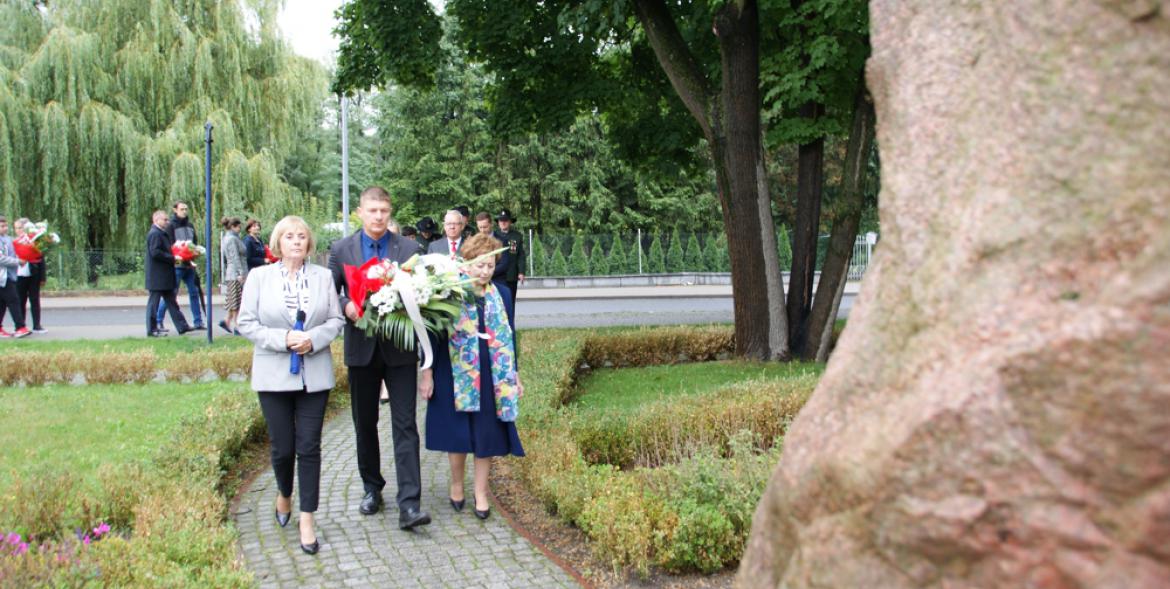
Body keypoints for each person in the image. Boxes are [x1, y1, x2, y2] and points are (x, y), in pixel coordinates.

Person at [238, 215, 344, 556]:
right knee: (283, 449)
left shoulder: (323, 277)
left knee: (309, 447)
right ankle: (284, 493)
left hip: (314, 375)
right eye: (289, 237)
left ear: (309, 243)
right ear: (278, 242)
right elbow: (246, 323)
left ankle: (307, 517)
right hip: (272, 376)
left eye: (301, 236)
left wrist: (312, 339)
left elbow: (336, 320)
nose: (296, 242)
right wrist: (283, 338)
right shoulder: (258, 277)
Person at [328, 186, 432, 530]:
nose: (378, 216)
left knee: (405, 426)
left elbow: (423, 297)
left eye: (384, 211)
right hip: (361, 348)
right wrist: (346, 305)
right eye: (372, 210)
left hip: (400, 352)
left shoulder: (409, 249)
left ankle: (409, 503)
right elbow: (332, 294)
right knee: (365, 425)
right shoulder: (342, 249)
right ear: (360, 212)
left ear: (390, 213)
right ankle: (372, 487)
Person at [422, 233, 525, 520]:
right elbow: (432, 334)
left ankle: (481, 492)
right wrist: (427, 372)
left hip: (493, 372)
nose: (485, 271)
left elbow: (510, 333)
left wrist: (514, 373)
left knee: (486, 434)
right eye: (480, 265)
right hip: (455, 370)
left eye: (490, 265)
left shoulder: (502, 293)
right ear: (466, 264)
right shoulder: (449, 291)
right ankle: (457, 485)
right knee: (458, 432)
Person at [156, 201, 207, 331]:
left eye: (186, 209)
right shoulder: (171, 226)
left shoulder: (190, 226)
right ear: (175, 210)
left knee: (194, 292)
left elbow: (194, 242)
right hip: (178, 263)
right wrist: (178, 254)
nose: (184, 211)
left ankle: (198, 322)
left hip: (189, 264)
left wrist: (195, 252)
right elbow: (169, 245)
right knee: (171, 293)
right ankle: (158, 321)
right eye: (182, 209)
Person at [145, 210, 192, 337]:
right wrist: (173, 258)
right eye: (165, 220)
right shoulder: (155, 234)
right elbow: (155, 252)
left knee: (171, 302)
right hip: (157, 276)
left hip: (163, 276)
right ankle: (152, 330)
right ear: (156, 220)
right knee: (153, 304)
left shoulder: (160, 233)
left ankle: (182, 326)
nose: (167, 221)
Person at [13, 218, 45, 334]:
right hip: (19, 275)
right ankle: (22, 325)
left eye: (20, 228)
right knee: (21, 300)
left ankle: (37, 325)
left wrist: (42, 277)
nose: (18, 230)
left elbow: (41, 259)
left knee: (34, 299)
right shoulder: (14, 242)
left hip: (33, 274)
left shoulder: (34, 242)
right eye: (16, 228)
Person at [0, 216, 30, 338]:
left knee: (2, 303)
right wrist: (18, 261)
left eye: (6, 225)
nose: (5, 228)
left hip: (9, 275)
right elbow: (1, 259)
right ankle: (20, 327)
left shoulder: (7, 239)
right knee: (14, 300)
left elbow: (17, 249)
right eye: (2, 226)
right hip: (3, 276)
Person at [493, 208, 526, 309]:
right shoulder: (493, 236)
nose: (503, 222)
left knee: (510, 303)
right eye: (501, 220)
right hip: (496, 275)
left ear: (510, 222)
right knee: (497, 303)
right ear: (498, 222)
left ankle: (510, 324)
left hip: (511, 276)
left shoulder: (517, 236)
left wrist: (521, 272)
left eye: (505, 220)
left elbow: (521, 255)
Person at [219, 216, 247, 335]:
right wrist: (240, 273)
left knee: (233, 299)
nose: (240, 229)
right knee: (236, 300)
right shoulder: (231, 239)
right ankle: (237, 325)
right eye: (238, 226)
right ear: (233, 226)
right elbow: (234, 257)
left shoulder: (231, 238)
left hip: (234, 272)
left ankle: (227, 321)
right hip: (235, 273)